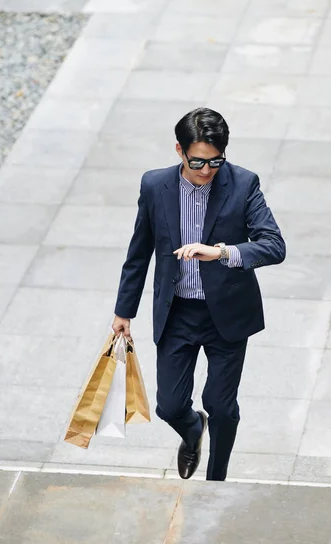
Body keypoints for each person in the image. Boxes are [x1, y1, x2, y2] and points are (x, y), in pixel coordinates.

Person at [112, 107, 286, 481]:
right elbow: (139, 251)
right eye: (197, 162)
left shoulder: (243, 184)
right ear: (179, 151)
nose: (207, 171)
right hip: (177, 313)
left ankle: (216, 478)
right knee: (169, 406)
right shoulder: (155, 185)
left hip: (227, 314)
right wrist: (123, 311)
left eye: (215, 162)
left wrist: (222, 252)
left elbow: (274, 246)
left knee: (221, 405)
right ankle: (193, 430)